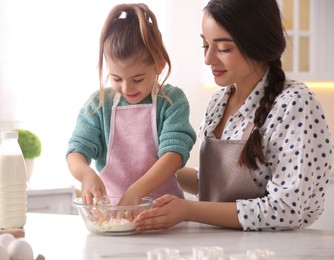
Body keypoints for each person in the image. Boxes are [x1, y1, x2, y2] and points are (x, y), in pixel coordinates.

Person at [134, 0, 333, 231]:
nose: (208, 59)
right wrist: (152, 171)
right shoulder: (219, 101)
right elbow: (214, 185)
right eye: (205, 46)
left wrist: (187, 210)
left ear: (258, 45)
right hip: (215, 247)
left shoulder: (295, 104)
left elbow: (285, 210)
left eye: (224, 49)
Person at [66, 3, 196, 206]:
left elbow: (174, 155)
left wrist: (136, 192)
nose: (127, 88)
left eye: (137, 79)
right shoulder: (99, 104)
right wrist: (86, 174)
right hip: (112, 212)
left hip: (164, 211)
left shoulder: (172, 101)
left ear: (159, 63)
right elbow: (76, 151)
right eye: (117, 79)